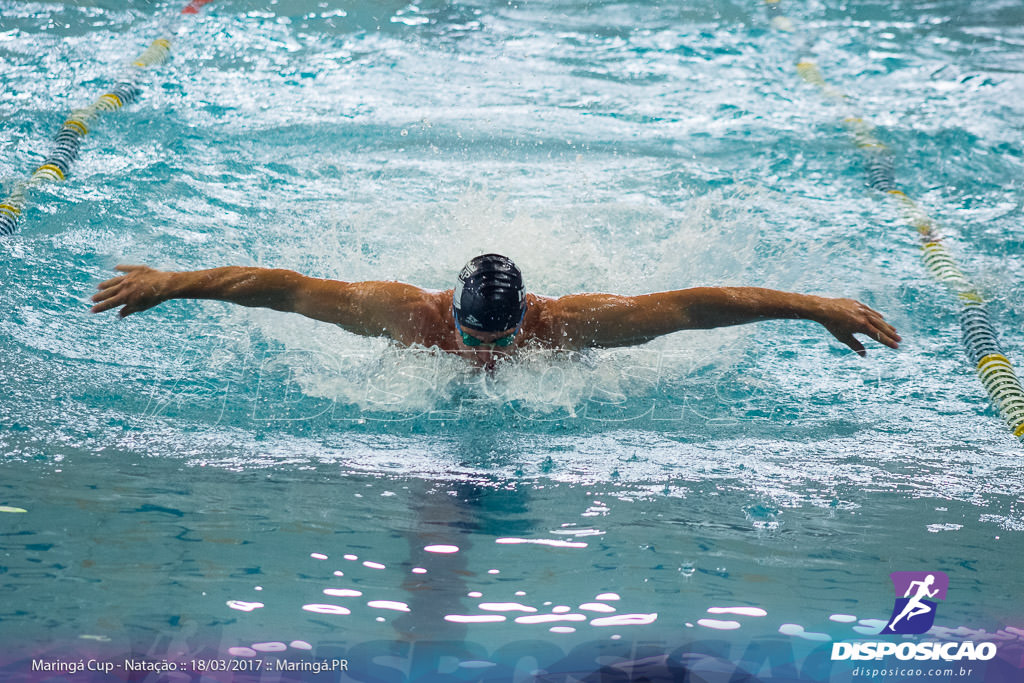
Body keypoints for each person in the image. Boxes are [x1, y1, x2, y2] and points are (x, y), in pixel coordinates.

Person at [90, 253, 900, 365]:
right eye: (469, 333)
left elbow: (693, 307)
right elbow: (287, 290)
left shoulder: (569, 322)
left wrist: (813, 305)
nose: (481, 349)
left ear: (526, 316)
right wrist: (169, 281)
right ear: (451, 309)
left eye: (496, 335)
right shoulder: (403, 313)